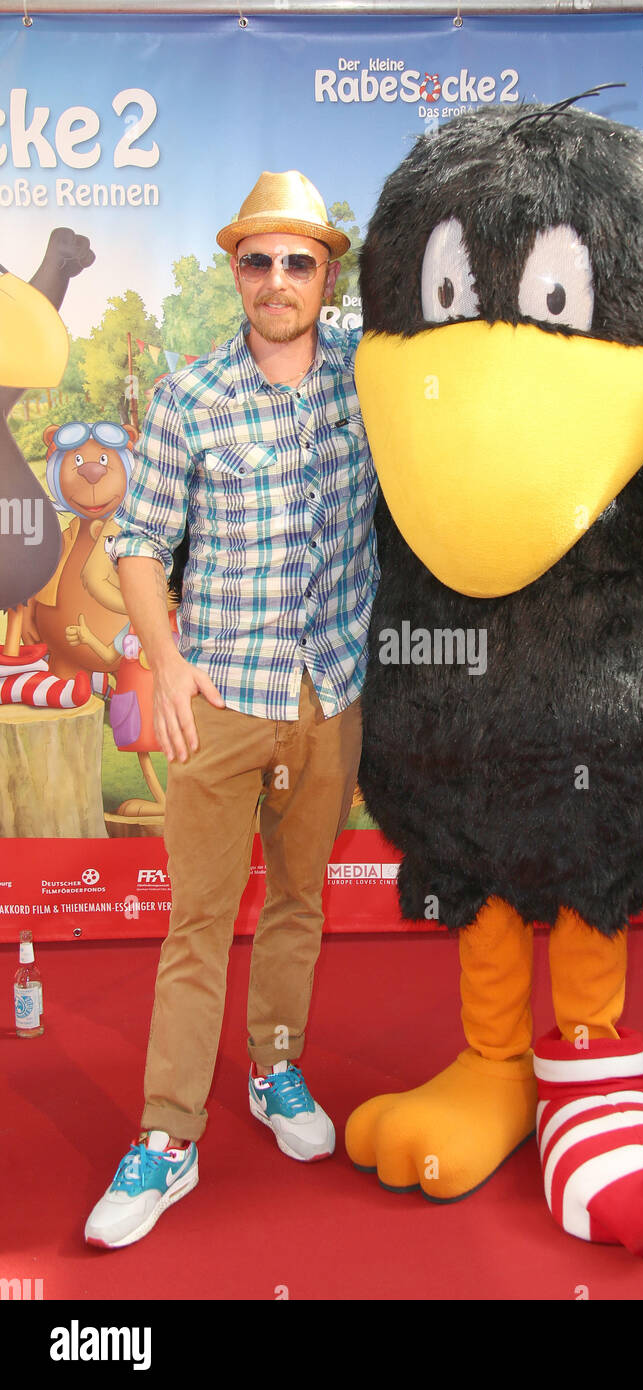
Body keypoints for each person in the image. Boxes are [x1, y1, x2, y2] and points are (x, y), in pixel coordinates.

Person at [84, 171, 378, 1248]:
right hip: (216, 700)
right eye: (257, 260)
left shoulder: (369, 377)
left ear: (327, 273)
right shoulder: (189, 398)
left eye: (298, 259)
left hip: (330, 696)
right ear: (235, 273)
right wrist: (163, 664)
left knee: (299, 902)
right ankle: (167, 1137)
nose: (277, 279)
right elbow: (137, 542)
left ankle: (276, 1070)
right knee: (197, 924)